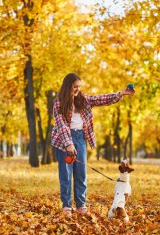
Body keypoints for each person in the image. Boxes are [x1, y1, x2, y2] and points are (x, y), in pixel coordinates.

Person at [51, 73, 135, 217]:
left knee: (81, 173)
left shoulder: (83, 100)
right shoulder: (59, 102)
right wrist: (68, 144)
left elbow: (100, 99)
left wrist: (121, 93)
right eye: (74, 87)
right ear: (67, 87)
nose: (77, 89)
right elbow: (61, 124)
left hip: (79, 138)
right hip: (63, 140)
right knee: (66, 174)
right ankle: (66, 206)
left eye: (79, 86)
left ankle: (81, 205)